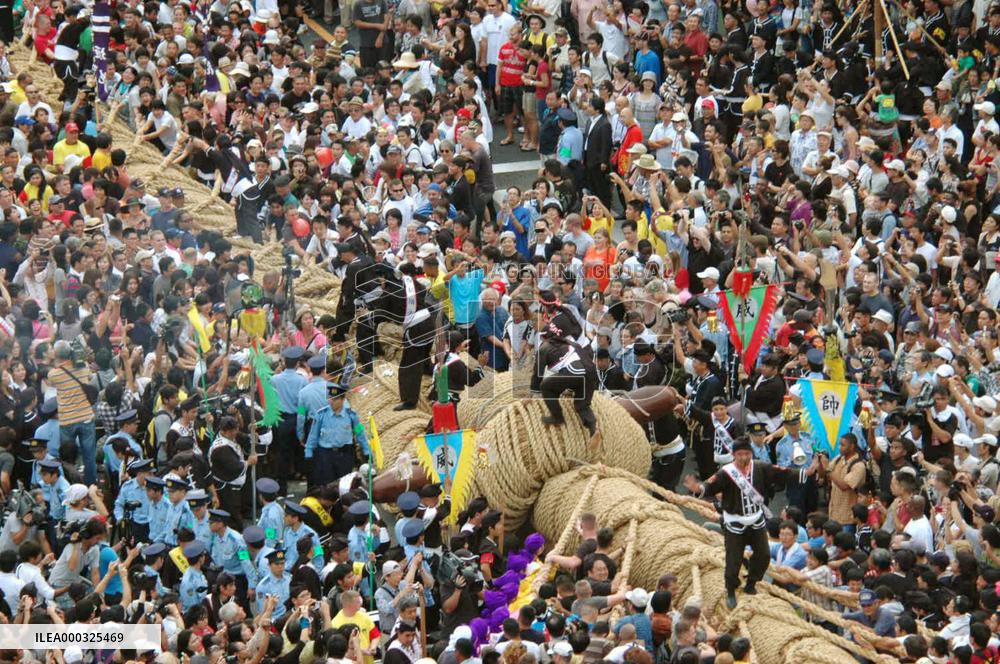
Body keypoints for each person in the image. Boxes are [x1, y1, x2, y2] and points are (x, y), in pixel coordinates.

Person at [684, 437, 819, 608]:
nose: (743, 457)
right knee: (733, 559)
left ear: (751, 453)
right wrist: (698, 489)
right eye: (740, 454)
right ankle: (731, 590)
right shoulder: (726, 472)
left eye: (747, 453)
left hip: (756, 519)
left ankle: (751, 583)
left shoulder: (760, 467)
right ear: (734, 455)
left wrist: (805, 472)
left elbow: (782, 473)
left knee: (763, 555)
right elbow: (710, 485)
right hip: (735, 522)